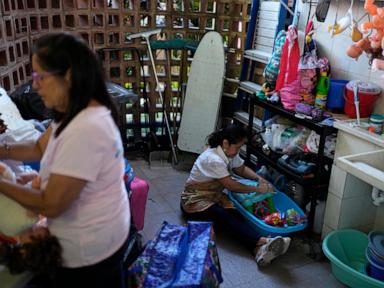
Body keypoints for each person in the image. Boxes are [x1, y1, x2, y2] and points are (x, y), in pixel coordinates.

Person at [0, 32, 130, 288]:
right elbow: (39, 147)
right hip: (101, 233)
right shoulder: (74, 110)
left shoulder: (86, 128)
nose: (34, 85)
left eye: (39, 76)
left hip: (90, 252)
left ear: (68, 75)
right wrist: (3, 151)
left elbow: (51, 205)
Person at [180, 124, 290, 267]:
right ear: (225, 143)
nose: (238, 150)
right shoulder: (213, 158)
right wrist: (258, 190)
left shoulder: (228, 153)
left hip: (213, 196)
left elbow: (241, 169)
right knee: (222, 215)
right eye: (237, 147)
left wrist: (259, 179)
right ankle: (263, 242)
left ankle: (258, 250)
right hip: (193, 200)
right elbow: (231, 185)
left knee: (235, 214)